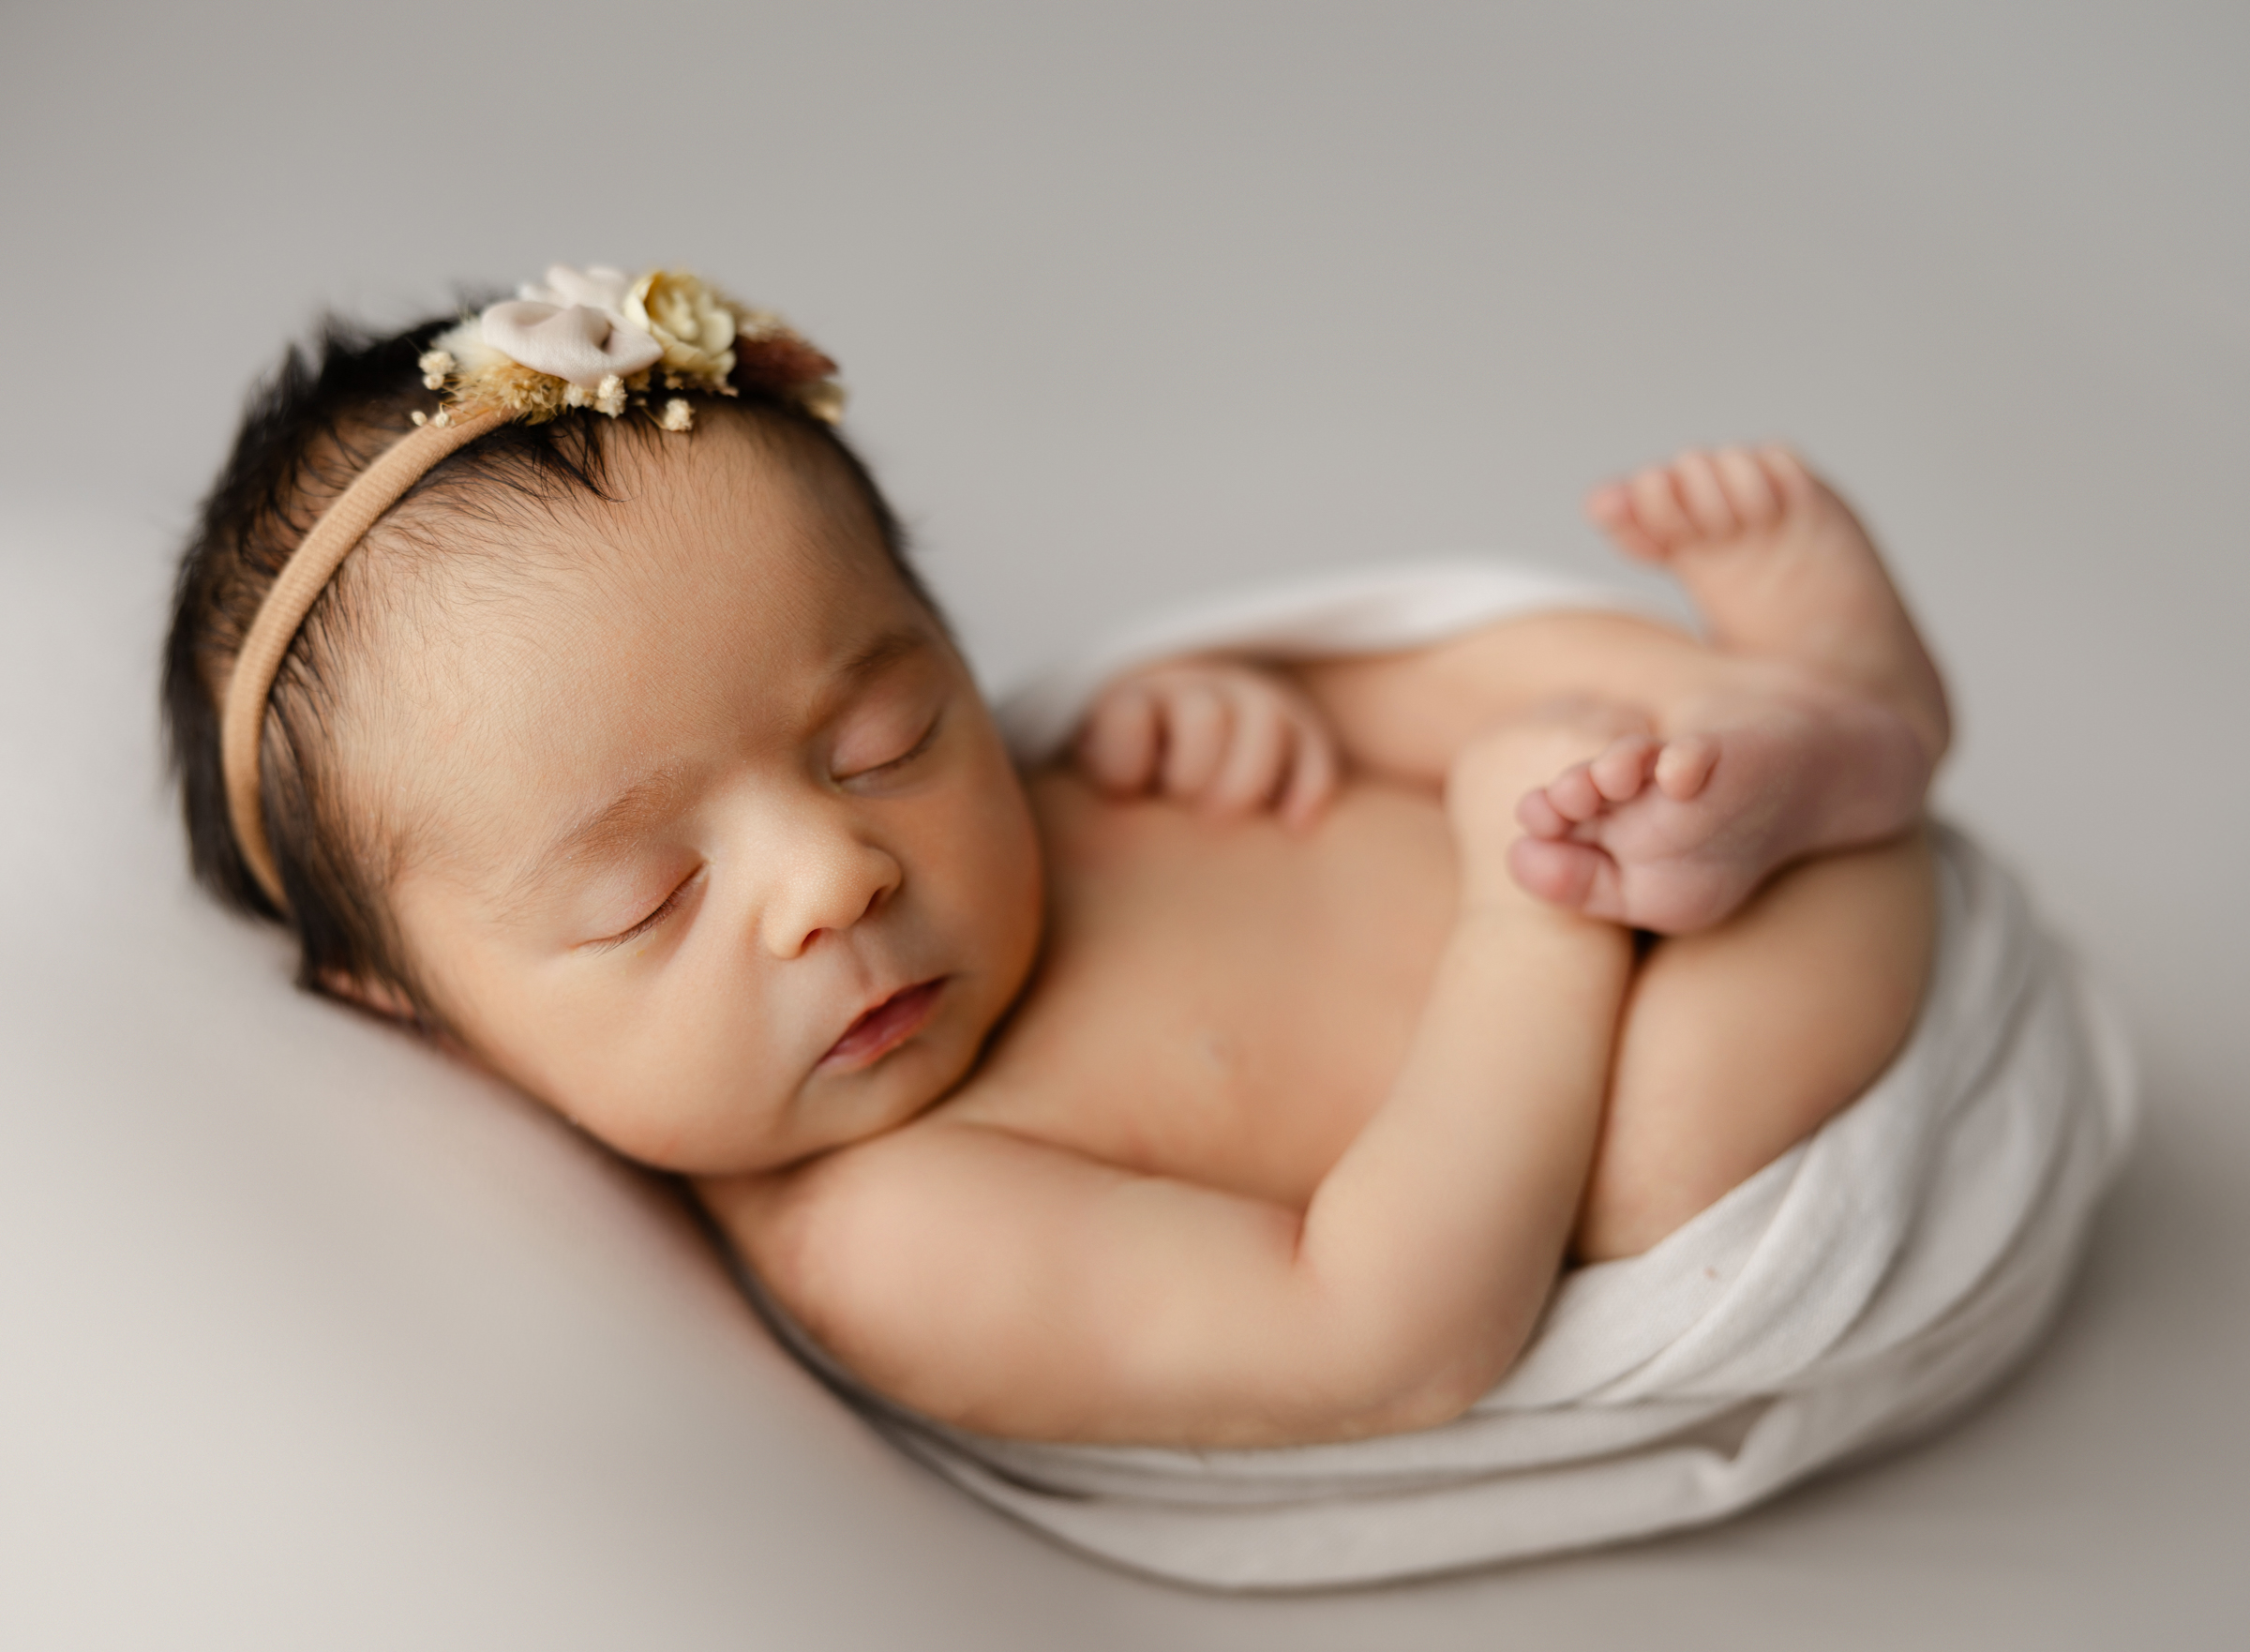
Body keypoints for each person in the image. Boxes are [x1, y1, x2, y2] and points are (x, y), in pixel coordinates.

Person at [165, 266, 1944, 1451]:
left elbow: (1178, 773)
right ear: (415, 1005)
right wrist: (1529, 919)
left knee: (1387, 686)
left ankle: (1821, 717)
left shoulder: (1011, 813)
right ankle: (1834, 756)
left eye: (885, 737)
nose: (836, 875)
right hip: (1684, 1052)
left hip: (1571, 822)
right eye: (653, 896)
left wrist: (1222, 728)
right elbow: (1388, 1333)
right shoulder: (898, 1232)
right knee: (1669, 1131)